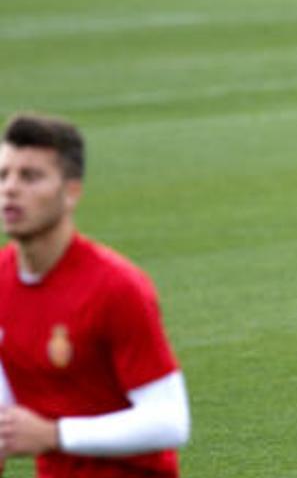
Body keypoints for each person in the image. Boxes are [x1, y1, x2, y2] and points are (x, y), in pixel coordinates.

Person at [0, 113, 190, 477]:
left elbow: (170, 420)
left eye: (30, 176)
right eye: (4, 175)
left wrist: (56, 434)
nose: (10, 188)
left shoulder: (116, 287)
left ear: (71, 192)